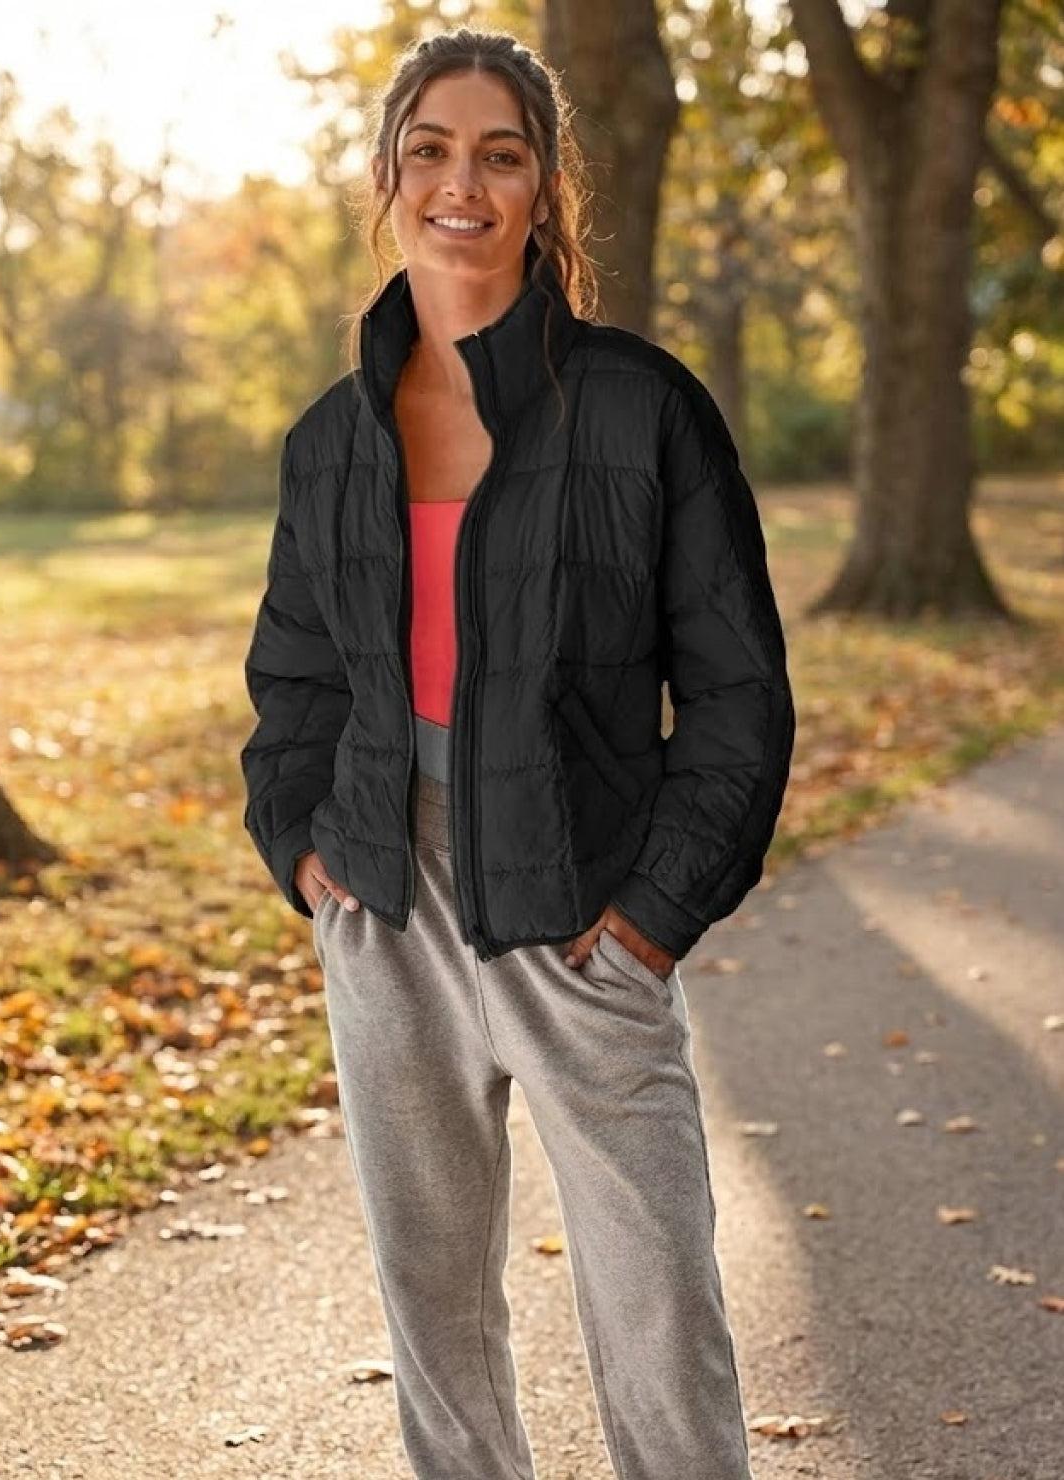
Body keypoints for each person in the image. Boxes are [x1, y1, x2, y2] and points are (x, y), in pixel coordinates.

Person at [240, 26, 794, 1480]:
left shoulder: (641, 406)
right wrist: (303, 853)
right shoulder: (329, 441)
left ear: (544, 188)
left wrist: (652, 917)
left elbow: (735, 691)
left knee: (657, 1315)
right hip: (382, 900)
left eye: (498, 154)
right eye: (429, 151)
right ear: (387, 178)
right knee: (436, 1327)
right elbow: (295, 676)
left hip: (580, 903)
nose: (460, 185)